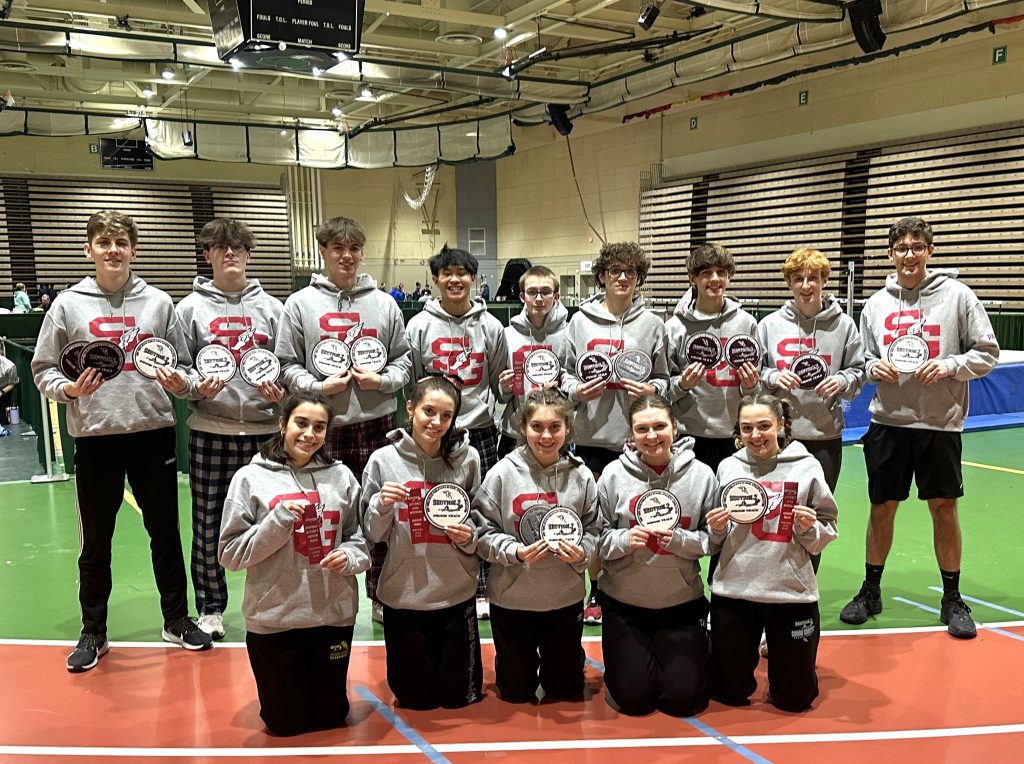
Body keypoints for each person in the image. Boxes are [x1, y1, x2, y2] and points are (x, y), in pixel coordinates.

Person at [31, 210, 212, 672]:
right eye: (104, 242)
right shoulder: (67, 305)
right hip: (95, 437)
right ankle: (94, 631)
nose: (113, 250)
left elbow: (186, 369)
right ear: (89, 249)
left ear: (134, 249)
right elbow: (43, 370)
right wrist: (69, 391)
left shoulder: (159, 303)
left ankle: (176, 619)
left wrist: (181, 382)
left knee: (165, 535)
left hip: (153, 433)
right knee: (96, 541)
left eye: (121, 242)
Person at [839, 217, 999, 639]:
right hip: (888, 423)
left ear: (930, 250)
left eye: (917, 246)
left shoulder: (959, 297)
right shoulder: (874, 305)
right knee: (882, 509)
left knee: (944, 509)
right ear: (890, 255)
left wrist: (949, 365)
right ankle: (871, 591)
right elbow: (863, 361)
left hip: (939, 424)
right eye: (901, 248)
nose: (909, 255)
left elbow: (987, 353)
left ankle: (952, 598)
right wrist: (874, 367)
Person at [275, 216, 411, 623]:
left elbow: (404, 359)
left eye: (353, 249)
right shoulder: (299, 304)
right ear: (323, 252)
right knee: (327, 512)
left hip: (377, 423)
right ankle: (325, 592)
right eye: (338, 249)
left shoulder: (384, 303)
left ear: (361, 252)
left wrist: (383, 380)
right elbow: (286, 364)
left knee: (381, 510)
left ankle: (381, 595)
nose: (346, 257)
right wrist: (319, 387)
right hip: (324, 426)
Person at [219, 392, 369, 736]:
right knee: (284, 723)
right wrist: (277, 522)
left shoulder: (342, 477)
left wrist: (350, 557)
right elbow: (230, 554)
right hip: (276, 619)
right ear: (283, 423)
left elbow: (361, 537)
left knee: (332, 717)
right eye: (301, 423)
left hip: (332, 616)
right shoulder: (250, 478)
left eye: (319, 427)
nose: (309, 434)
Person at [176, 218, 285, 639]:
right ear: (208, 256)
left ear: (248, 254)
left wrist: (282, 393)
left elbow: (289, 365)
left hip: (265, 432)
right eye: (221, 248)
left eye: (238, 248)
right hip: (211, 430)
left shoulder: (274, 309)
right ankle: (210, 607)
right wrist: (192, 386)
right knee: (208, 523)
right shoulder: (188, 309)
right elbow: (181, 368)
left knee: (275, 520)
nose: (230, 255)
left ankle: (275, 594)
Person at [706, 394, 838, 712]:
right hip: (735, 590)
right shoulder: (727, 468)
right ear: (737, 430)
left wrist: (809, 527)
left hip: (790, 593)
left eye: (764, 426)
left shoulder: (807, 467)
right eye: (747, 428)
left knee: (795, 699)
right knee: (727, 692)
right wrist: (717, 528)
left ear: (781, 425)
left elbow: (826, 532)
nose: (755, 435)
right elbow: (712, 541)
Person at [561, 241, 670, 625]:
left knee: (636, 520)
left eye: (630, 272)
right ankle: (596, 589)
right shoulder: (579, 321)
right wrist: (577, 390)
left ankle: (633, 586)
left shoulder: (654, 324)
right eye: (615, 271)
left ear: (639, 278)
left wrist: (653, 390)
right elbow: (565, 373)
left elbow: (665, 380)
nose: (622, 278)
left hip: (640, 441)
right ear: (602, 276)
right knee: (594, 522)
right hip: (592, 438)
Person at [361, 375, 483, 709]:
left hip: (455, 594)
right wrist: (382, 504)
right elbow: (372, 533)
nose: (437, 422)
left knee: (459, 699)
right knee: (417, 700)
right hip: (404, 596)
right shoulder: (382, 461)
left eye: (447, 416)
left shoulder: (468, 458)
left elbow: (480, 525)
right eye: (429, 411)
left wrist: (468, 534)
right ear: (410, 408)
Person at [474, 389, 600, 703]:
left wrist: (583, 551)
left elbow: (595, 529)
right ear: (523, 429)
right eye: (537, 427)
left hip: (563, 598)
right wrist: (512, 551)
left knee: (564, 689)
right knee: (516, 691)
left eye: (555, 427)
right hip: (512, 600)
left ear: (567, 429)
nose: (546, 435)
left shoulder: (581, 475)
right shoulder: (502, 474)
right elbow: (481, 532)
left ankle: (567, 666)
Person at [597, 394, 716, 717]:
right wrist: (624, 539)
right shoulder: (612, 475)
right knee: (634, 700)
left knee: (684, 700)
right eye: (642, 429)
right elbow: (597, 540)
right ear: (631, 435)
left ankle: (691, 651)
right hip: (624, 606)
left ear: (674, 428)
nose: (651, 436)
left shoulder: (702, 475)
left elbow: (713, 540)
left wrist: (679, 541)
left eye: (659, 426)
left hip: (681, 604)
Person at [406, 244, 508, 619]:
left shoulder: (492, 326)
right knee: (436, 510)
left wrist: (510, 385)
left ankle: (481, 587)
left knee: (480, 511)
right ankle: (435, 581)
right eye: (446, 273)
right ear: (435, 280)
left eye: (462, 273)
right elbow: (415, 383)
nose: (454, 279)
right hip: (435, 432)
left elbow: (499, 385)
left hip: (478, 430)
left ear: (473, 278)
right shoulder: (418, 325)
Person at [757, 247, 865, 493]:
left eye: (813, 278)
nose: (806, 286)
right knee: (778, 513)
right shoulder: (769, 325)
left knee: (819, 513)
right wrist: (773, 376)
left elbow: (859, 371)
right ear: (789, 283)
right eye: (798, 279)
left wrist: (842, 381)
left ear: (824, 281)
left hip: (824, 435)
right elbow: (754, 374)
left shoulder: (844, 325)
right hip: (778, 435)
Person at [667, 243, 760, 473]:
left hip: (737, 435)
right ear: (692, 278)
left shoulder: (746, 323)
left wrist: (751, 387)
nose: (715, 279)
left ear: (729, 277)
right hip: (689, 434)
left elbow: (758, 387)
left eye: (721, 273)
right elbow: (661, 388)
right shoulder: (674, 328)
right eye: (706, 273)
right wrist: (682, 384)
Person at [496, 266, 570, 458]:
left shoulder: (570, 333)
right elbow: (501, 397)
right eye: (532, 292)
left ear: (556, 296)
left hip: (554, 433)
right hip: (514, 432)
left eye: (546, 292)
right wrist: (505, 388)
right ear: (522, 297)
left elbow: (576, 389)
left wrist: (563, 388)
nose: (538, 298)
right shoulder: (507, 335)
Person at [0, 351, 17, 434]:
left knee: (2, 418)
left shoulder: (10, 366)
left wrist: (2, 392)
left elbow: (12, 384)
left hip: (4, 389)